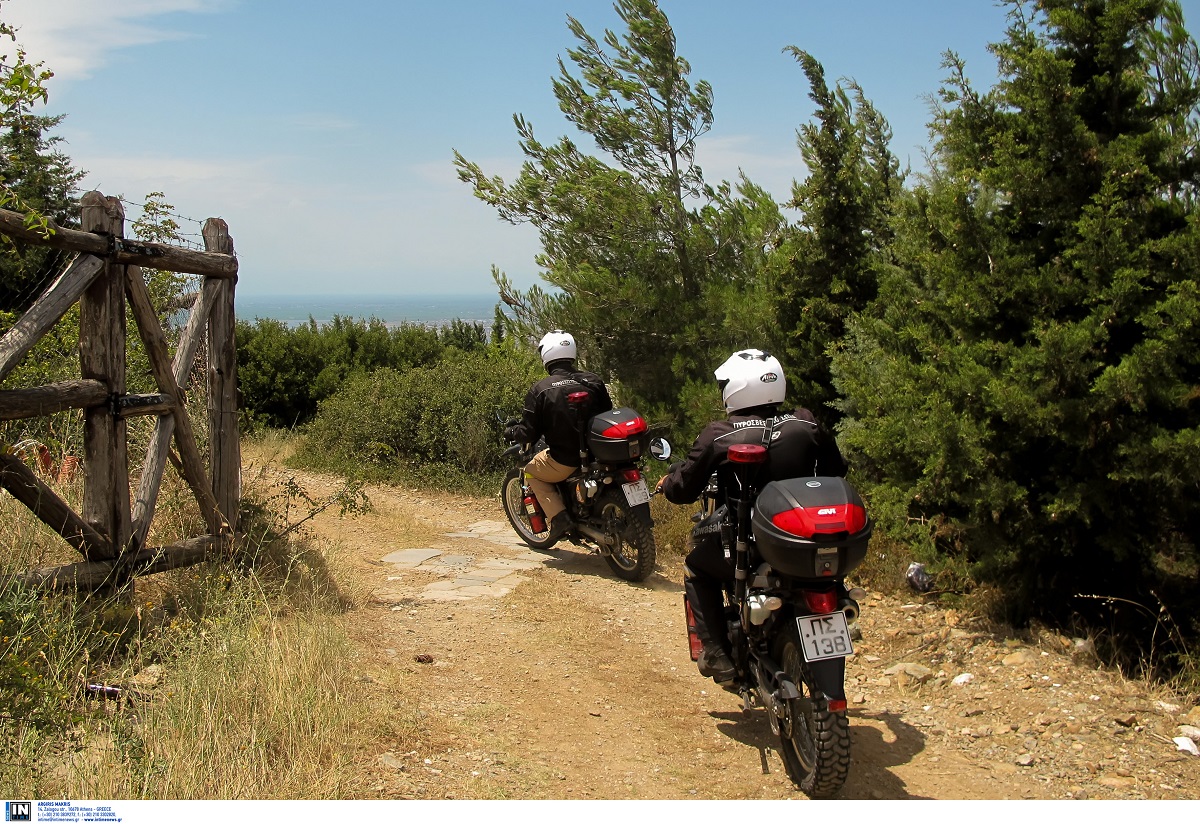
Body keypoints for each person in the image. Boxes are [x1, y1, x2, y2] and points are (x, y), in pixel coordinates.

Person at [656, 349, 847, 682]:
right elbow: (837, 470)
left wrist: (666, 483)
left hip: (752, 546)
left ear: (737, 387)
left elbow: (683, 488)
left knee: (697, 567)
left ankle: (717, 654)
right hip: (805, 542)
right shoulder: (805, 421)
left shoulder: (720, 433)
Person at [505, 330, 613, 541]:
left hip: (567, 460)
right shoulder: (593, 381)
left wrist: (511, 431)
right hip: (600, 455)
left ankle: (560, 518)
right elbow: (607, 412)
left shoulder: (541, 389)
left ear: (547, 354)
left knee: (531, 472)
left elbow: (528, 432)